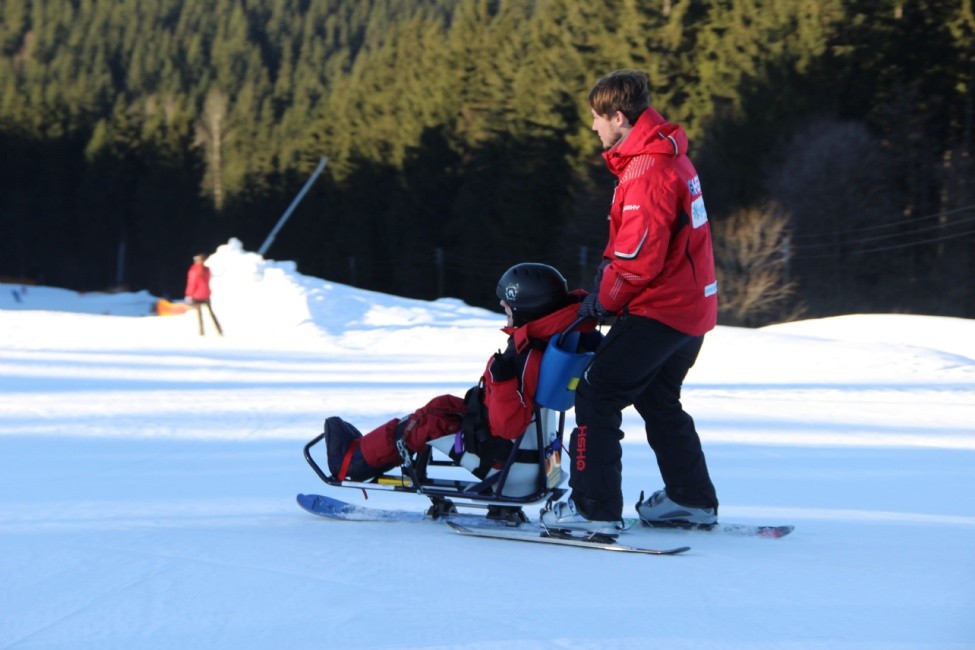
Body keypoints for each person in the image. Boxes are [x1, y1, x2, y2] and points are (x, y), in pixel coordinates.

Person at [540, 69, 719, 534]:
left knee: (597, 392)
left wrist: (604, 301)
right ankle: (690, 498)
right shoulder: (670, 156)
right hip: (691, 310)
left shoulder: (649, 170)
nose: (593, 129)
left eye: (597, 119)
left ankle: (592, 508)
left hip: (663, 309)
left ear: (619, 117)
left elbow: (637, 259)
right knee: (658, 398)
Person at [323, 263, 593, 486]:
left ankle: (352, 464)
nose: (502, 306)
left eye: (507, 306)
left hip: (502, 453)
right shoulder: (550, 338)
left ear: (525, 309)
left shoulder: (527, 354)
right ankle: (363, 451)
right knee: (442, 405)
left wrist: (501, 380)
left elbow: (508, 425)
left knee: (429, 422)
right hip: (516, 445)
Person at [185, 253, 223, 336]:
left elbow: (192, 283)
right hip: (206, 294)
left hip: (197, 295)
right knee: (211, 313)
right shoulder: (207, 270)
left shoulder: (194, 270)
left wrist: (189, 294)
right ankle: (219, 330)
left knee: (199, 315)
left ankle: (201, 332)